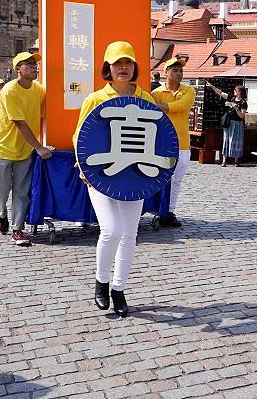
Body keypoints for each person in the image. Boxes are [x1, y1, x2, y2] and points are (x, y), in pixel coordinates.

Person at [74, 41, 154, 318]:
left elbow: (159, 136)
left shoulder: (147, 98)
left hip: (136, 174)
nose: (123, 68)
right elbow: (79, 137)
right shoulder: (95, 99)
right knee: (111, 230)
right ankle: (101, 281)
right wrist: (83, 167)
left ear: (135, 67)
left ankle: (119, 289)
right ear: (107, 67)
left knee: (130, 234)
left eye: (128, 63)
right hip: (101, 174)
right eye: (117, 63)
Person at [0, 53, 50, 246]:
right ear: (18, 70)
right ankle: (1, 212)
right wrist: (39, 147)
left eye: (35, 64)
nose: (34, 67)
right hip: (2, 148)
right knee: (1, 190)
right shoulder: (9, 90)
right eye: (29, 64)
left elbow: (44, 118)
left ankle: (17, 229)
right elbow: (20, 123)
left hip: (24, 150)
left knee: (21, 192)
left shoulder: (39, 90)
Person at [152, 57, 196, 228]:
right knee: (160, 178)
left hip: (182, 143)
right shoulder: (157, 93)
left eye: (181, 71)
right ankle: (158, 209)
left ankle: (169, 211)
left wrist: (159, 106)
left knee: (176, 179)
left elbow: (181, 106)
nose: (179, 73)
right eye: (175, 70)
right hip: (161, 142)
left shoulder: (188, 91)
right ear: (166, 73)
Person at [208, 83, 247, 167]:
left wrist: (236, 108)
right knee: (226, 140)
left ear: (240, 92)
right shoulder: (232, 98)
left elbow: (242, 116)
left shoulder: (243, 102)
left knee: (236, 141)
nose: (234, 91)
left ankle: (236, 161)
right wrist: (212, 86)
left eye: (235, 90)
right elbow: (221, 93)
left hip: (237, 124)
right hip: (229, 123)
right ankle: (224, 160)